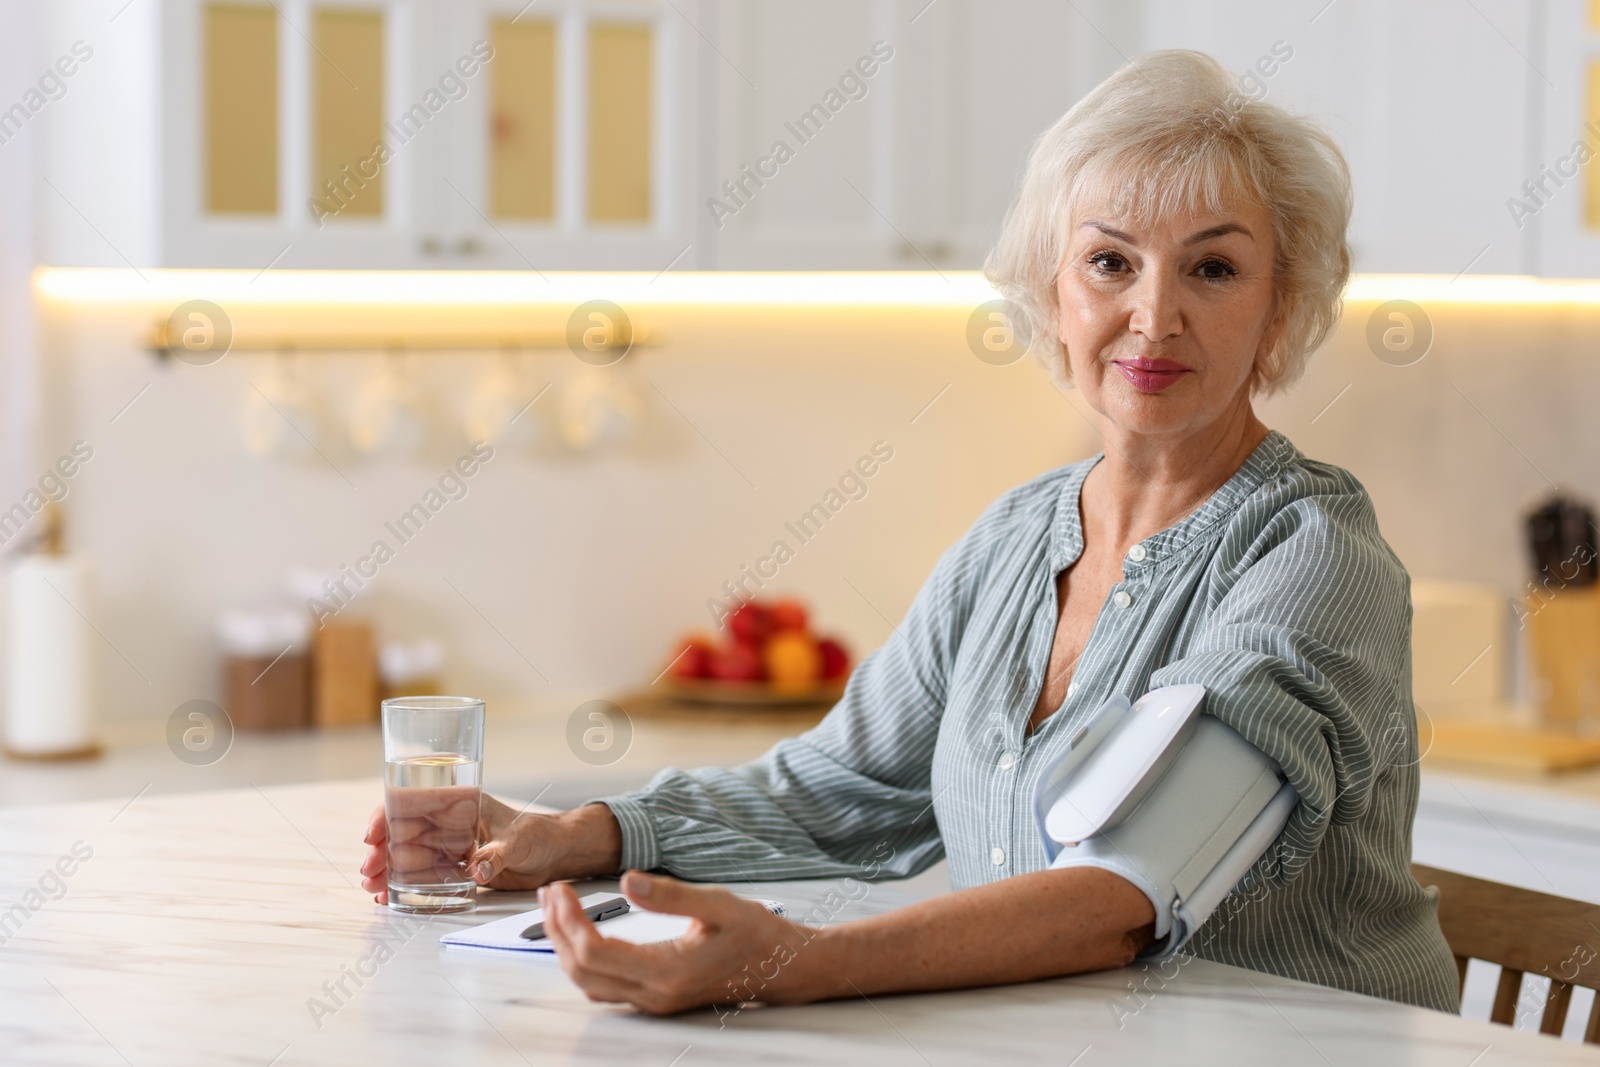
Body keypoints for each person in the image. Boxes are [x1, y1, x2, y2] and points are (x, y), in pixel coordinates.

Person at [361, 49, 1459, 1016]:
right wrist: (575, 832)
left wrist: (794, 961)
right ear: (1053, 289)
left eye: (1212, 267)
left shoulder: (1316, 556)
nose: (1152, 314)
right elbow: (836, 792)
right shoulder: (1015, 538)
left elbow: (1129, 889)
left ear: (1282, 302)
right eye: (1109, 261)